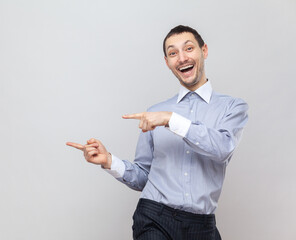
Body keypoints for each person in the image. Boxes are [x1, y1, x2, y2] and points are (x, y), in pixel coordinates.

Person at [66, 25, 248, 240]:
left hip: (202, 225)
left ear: (204, 51)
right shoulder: (153, 113)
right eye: (173, 53)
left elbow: (223, 149)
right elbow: (144, 176)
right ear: (167, 62)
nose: (181, 58)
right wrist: (109, 161)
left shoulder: (232, 107)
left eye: (188, 49)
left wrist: (171, 120)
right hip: (155, 217)